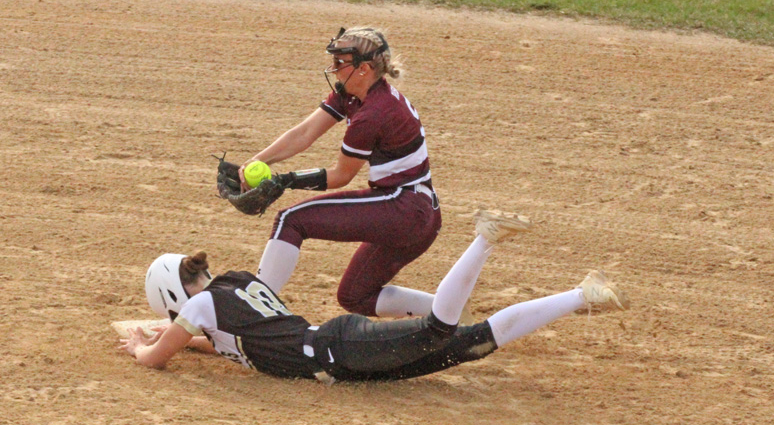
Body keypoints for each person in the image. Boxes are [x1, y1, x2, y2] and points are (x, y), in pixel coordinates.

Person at [118, 210, 629, 383]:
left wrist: (142, 345)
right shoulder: (236, 284)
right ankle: (582, 294)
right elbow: (225, 343)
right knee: (472, 344)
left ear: (174, 298)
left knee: (440, 330)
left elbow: (155, 361)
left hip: (341, 349)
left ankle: (484, 237)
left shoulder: (203, 306)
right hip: (341, 355)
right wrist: (180, 338)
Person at [236, 26, 466, 320]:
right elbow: (304, 133)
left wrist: (286, 181)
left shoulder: (373, 114)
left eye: (340, 63)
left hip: (402, 208)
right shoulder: (355, 94)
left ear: (364, 68)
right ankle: (451, 314)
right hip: (419, 213)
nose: (333, 69)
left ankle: (251, 316)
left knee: (291, 220)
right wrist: (256, 161)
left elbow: (340, 176)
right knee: (355, 296)